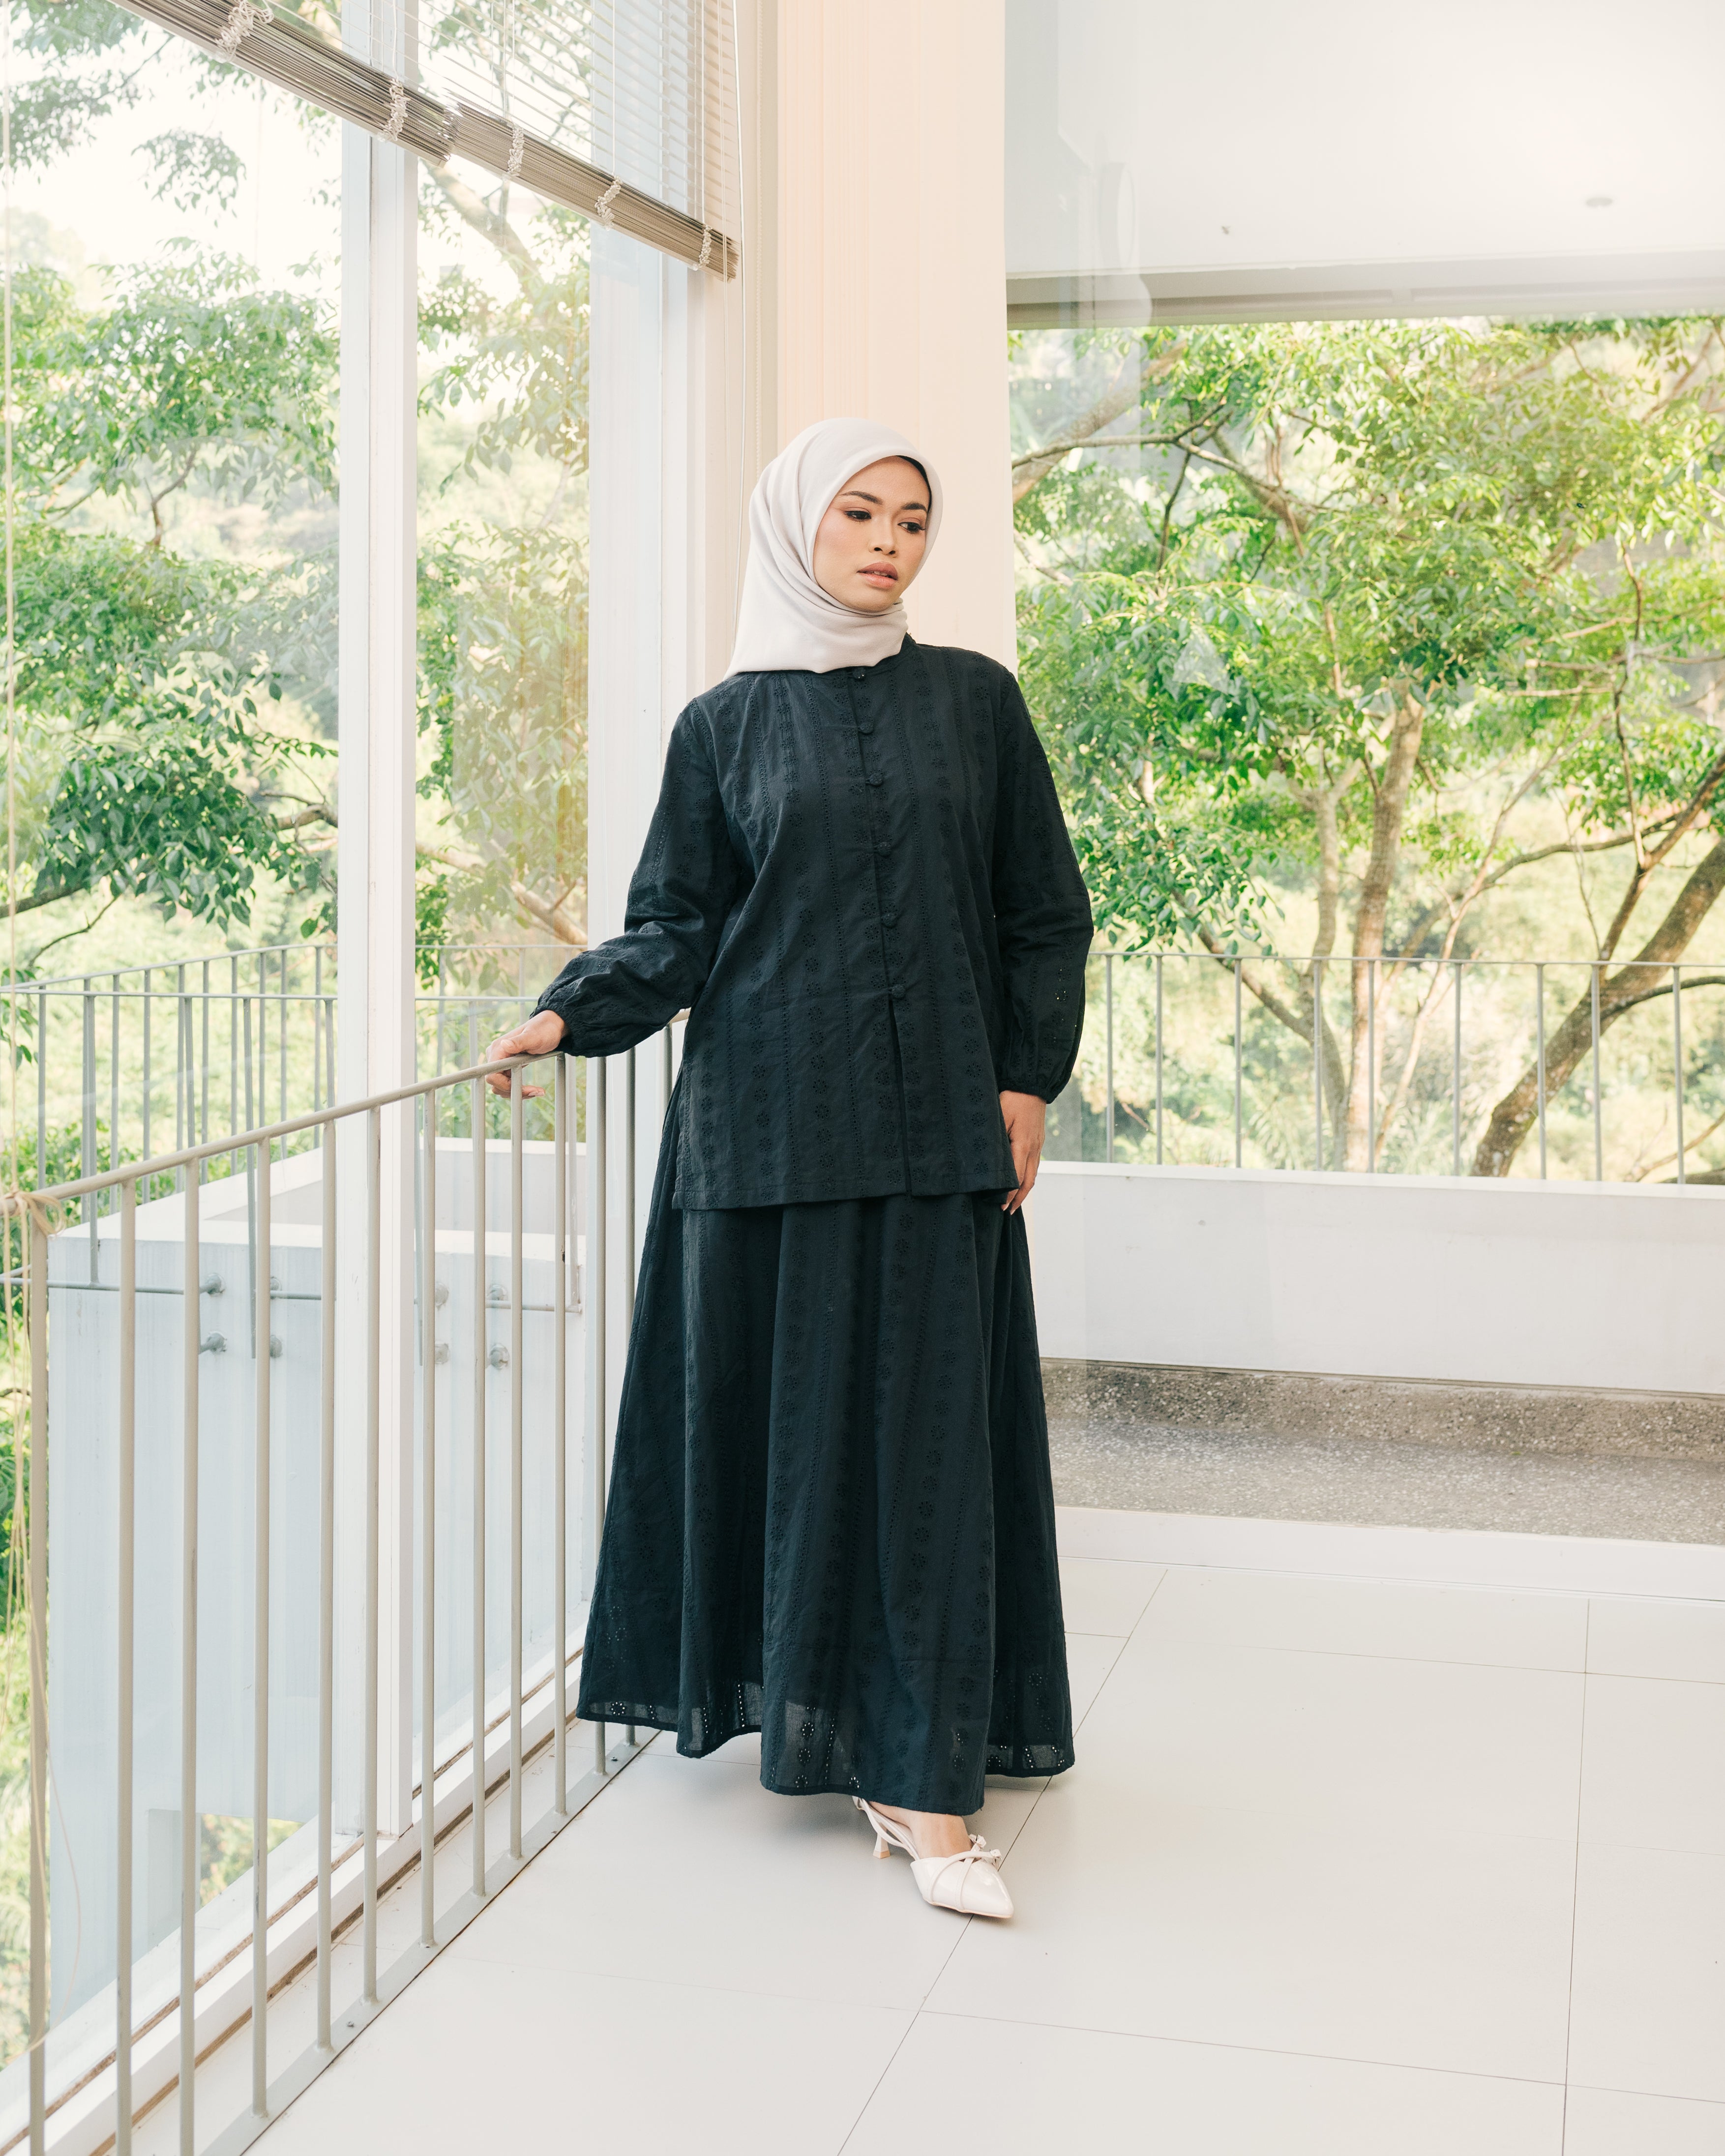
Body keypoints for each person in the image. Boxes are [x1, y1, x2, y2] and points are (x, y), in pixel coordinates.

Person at [485, 417, 1094, 1919]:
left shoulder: (975, 704)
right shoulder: (722, 726)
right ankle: (842, 1727)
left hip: (937, 1133)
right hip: (759, 1136)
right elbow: (678, 925)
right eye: (857, 516)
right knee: (798, 1444)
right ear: (794, 533)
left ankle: (921, 1770)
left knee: (929, 1451)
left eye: (909, 521)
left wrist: (1026, 1081)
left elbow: (1042, 911)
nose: (886, 543)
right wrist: (568, 1013)